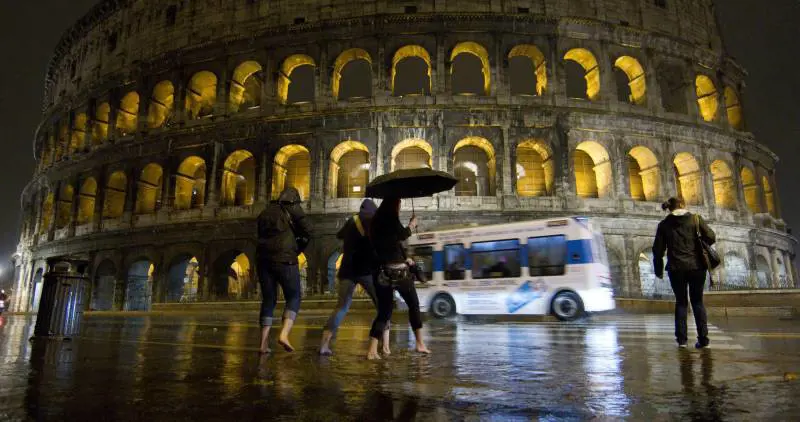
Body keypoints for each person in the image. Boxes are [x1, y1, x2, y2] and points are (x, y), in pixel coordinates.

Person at [319, 199, 390, 356]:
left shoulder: (352, 221)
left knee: (341, 307)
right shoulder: (375, 224)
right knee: (383, 306)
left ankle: (324, 345)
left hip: (347, 271)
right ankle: (385, 346)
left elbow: (339, 235)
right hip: (366, 271)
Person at [366, 197, 430, 360]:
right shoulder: (391, 219)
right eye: (399, 205)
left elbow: (391, 244)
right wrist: (411, 225)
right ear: (394, 205)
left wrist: (404, 257)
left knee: (384, 311)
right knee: (413, 304)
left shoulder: (375, 223)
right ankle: (420, 343)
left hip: (382, 272)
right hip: (399, 272)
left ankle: (372, 350)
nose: (399, 208)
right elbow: (402, 235)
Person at [653, 197, 716, 349]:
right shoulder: (695, 219)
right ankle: (703, 340)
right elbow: (711, 237)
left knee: (681, 302)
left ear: (670, 208)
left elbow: (658, 250)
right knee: (697, 301)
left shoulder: (664, 224)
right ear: (682, 204)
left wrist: (658, 270)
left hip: (676, 268)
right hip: (696, 266)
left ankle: (682, 340)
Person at [256, 187, 313, 353]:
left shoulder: (265, 212)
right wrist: (298, 247)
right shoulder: (293, 208)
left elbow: (259, 234)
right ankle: (284, 334)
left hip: (263, 260)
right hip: (285, 259)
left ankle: (263, 344)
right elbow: (309, 230)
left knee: (268, 300)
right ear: (294, 198)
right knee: (294, 297)